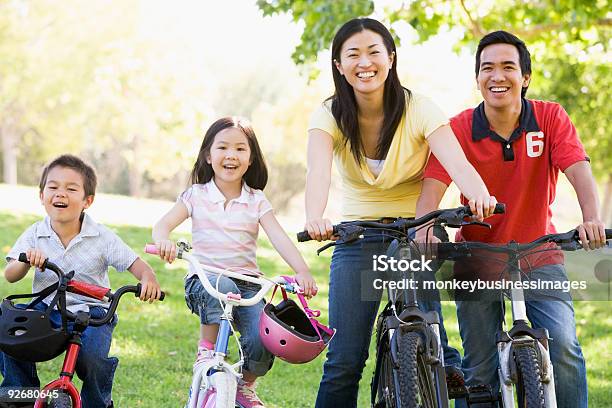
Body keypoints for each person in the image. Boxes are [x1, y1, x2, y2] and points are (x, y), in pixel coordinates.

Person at [304, 17, 497, 407]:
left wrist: (479, 195)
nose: (365, 62)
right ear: (339, 66)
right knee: (344, 360)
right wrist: (315, 216)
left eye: (374, 52)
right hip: (356, 234)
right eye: (353, 55)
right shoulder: (329, 115)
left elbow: (459, 165)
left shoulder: (419, 107)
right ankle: (443, 358)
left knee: (418, 307)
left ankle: (441, 361)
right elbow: (318, 174)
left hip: (417, 229)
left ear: (391, 59)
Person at [419, 30, 606, 408]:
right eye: (487, 68)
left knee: (564, 347)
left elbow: (578, 168)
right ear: (477, 79)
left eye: (508, 67)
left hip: (539, 253)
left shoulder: (550, 117)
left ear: (525, 77)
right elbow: (431, 190)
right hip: (476, 257)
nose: (497, 76)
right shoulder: (457, 129)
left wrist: (591, 218)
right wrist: (424, 228)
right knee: (479, 369)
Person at [152, 116, 316, 408]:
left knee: (263, 340)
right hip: (204, 280)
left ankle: (245, 384)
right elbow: (162, 226)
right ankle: (206, 349)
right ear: (208, 154)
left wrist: (301, 271)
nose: (231, 155)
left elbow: (279, 238)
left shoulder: (256, 200)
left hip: (249, 284)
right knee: (223, 284)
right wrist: (164, 240)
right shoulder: (196, 195)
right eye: (223, 147)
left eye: (240, 149)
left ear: (251, 158)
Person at [0, 154, 162, 408]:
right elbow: (10, 274)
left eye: (71, 188)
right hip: (48, 309)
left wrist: (148, 278)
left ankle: (97, 403)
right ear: (42, 196)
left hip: (92, 312)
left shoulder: (101, 236)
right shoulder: (35, 233)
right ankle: (19, 391)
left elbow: (137, 265)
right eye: (53, 187)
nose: (60, 193)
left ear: (88, 200)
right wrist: (26, 261)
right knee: (9, 327)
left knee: (93, 359)